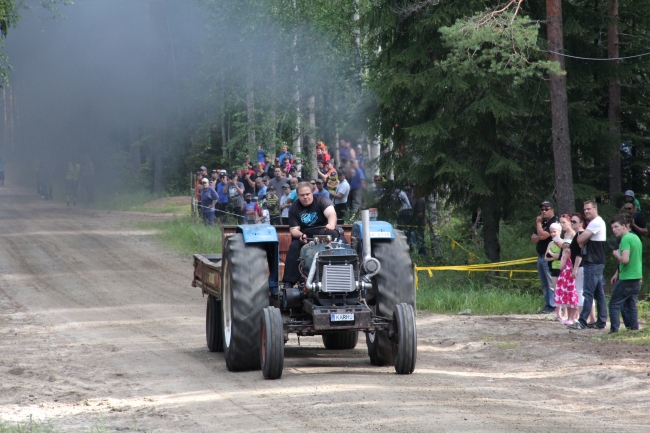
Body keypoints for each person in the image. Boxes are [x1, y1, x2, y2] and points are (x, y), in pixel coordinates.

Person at [282, 181, 339, 289]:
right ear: (297, 195)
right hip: (305, 236)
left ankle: (345, 274)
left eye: (307, 194)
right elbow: (294, 229)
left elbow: (331, 213)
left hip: (325, 231)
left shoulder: (322, 200)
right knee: (294, 246)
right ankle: (288, 282)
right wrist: (300, 235)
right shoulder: (294, 208)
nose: (305, 197)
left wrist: (331, 224)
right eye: (302, 195)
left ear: (312, 192)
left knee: (337, 236)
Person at [568, 200, 608, 330]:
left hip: (593, 262)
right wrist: (584, 240)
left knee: (588, 292)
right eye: (584, 209)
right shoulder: (595, 223)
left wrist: (584, 240)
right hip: (596, 261)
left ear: (595, 208)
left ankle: (582, 321)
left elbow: (579, 240)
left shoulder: (596, 222)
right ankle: (601, 321)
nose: (586, 211)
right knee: (599, 294)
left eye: (588, 209)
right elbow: (581, 241)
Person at [608, 214, 643, 334]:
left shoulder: (625, 239)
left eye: (616, 227)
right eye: (612, 228)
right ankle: (633, 329)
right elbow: (632, 260)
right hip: (637, 277)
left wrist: (616, 254)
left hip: (627, 278)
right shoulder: (635, 237)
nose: (614, 230)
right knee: (630, 304)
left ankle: (614, 330)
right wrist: (617, 273)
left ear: (624, 226)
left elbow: (625, 259)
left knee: (614, 304)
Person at [531, 200, 559, 314]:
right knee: (544, 283)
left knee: (551, 282)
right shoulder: (543, 223)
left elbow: (542, 236)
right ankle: (548, 304)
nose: (543, 212)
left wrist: (538, 224)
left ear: (552, 210)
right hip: (540, 256)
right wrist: (540, 234)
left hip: (550, 257)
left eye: (546, 209)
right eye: (542, 209)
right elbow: (533, 238)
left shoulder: (554, 223)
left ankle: (554, 306)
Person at [544, 223, 565, 322]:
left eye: (554, 231)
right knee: (556, 290)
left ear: (559, 232)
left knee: (564, 290)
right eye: (551, 232)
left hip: (562, 268)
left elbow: (562, 255)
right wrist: (554, 255)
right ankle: (558, 312)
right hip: (553, 269)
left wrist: (552, 254)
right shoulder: (550, 243)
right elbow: (546, 257)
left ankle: (566, 312)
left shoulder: (563, 242)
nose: (552, 234)